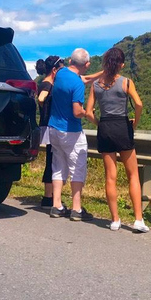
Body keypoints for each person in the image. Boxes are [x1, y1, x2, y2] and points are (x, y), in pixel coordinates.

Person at [85, 47, 149, 232]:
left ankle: (114, 220)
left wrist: (99, 123)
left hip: (105, 128)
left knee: (110, 177)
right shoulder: (126, 82)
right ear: (121, 64)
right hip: (122, 127)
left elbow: (88, 112)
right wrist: (134, 123)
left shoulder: (96, 85)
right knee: (133, 175)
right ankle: (138, 220)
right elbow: (138, 103)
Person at [48, 48, 93, 221]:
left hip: (54, 128)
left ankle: (56, 205)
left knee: (58, 166)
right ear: (86, 64)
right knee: (77, 168)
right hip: (71, 131)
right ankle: (76, 208)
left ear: (70, 61)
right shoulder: (77, 84)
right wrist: (87, 112)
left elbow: (83, 78)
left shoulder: (59, 74)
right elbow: (76, 111)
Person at [35, 55, 64, 207]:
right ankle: (48, 196)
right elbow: (41, 98)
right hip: (49, 126)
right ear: (54, 70)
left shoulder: (46, 83)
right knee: (52, 160)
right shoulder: (48, 84)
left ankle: (50, 194)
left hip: (46, 125)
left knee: (52, 159)